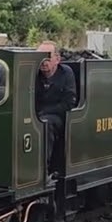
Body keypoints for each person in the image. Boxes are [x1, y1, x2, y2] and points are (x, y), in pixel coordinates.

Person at [34, 41, 77, 177]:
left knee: (45, 124)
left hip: (58, 115)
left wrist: (43, 112)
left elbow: (69, 103)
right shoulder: (33, 74)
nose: (43, 61)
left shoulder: (66, 73)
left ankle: (43, 170)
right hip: (35, 112)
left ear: (57, 59)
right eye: (40, 57)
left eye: (47, 57)